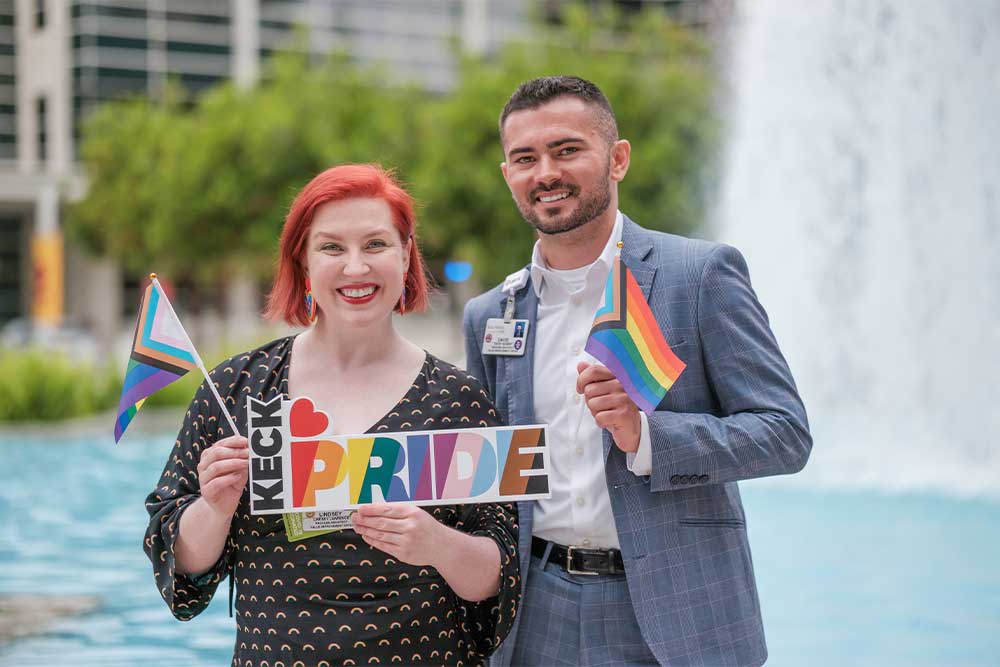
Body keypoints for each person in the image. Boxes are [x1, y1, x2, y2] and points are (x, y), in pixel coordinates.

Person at [462, 76, 812, 667]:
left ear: (617, 158)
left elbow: (785, 434)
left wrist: (646, 436)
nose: (546, 172)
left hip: (677, 612)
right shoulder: (491, 314)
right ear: (507, 175)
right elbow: (492, 477)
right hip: (534, 612)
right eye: (525, 158)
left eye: (567, 150)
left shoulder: (698, 276)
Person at [145, 163, 520, 667]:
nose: (356, 268)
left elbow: (501, 576)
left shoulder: (458, 399)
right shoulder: (237, 390)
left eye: (375, 244)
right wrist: (214, 508)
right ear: (302, 260)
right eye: (332, 248)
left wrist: (438, 544)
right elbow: (180, 568)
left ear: (405, 254)